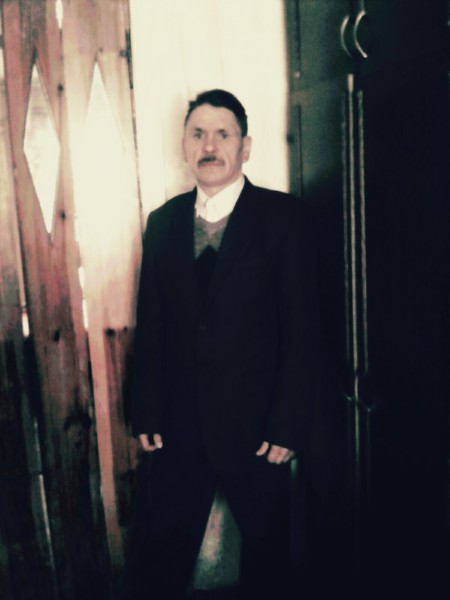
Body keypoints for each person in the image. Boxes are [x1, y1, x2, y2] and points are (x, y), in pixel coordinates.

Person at [128, 89, 318, 600]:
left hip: (259, 430)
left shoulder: (284, 218)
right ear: (184, 145)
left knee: (269, 558)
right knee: (162, 555)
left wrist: (288, 423)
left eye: (222, 134)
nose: (209, 146)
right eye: (198, 134)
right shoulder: (163, 223)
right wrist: (146, 409)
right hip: (178, 426)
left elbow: (302, 331)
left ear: (245, 146)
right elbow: (153, 323)